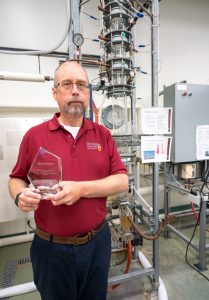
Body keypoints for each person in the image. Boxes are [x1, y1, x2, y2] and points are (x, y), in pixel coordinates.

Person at [8, 60, 128, 300]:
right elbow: (16, 179)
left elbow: (122, 181)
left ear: (87, 92)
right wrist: (20, 195)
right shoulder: (35, 136)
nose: (75, 90)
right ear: (55, 93)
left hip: (97, 244)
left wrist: (81, 189)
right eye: (67, 84)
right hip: (52, 250)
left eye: (82, 85)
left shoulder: (102, 134)